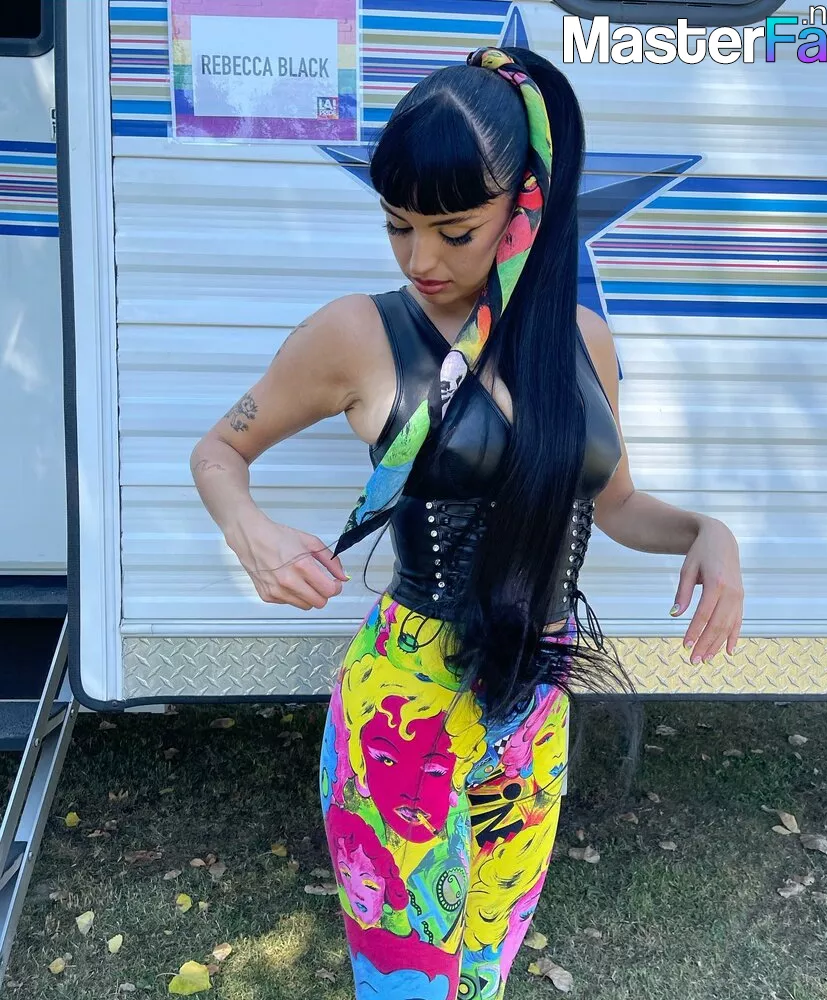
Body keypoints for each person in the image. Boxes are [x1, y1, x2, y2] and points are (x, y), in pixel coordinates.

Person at [190, 45, 744, 1000]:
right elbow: (218, 453)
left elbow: (616, 504)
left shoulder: (583, 343)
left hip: (533, 708)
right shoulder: (359, 333)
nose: (420, 260)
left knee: (484, 977)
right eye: (397, 225)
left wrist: (707, 532)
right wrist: (249, 528)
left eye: (454, 230)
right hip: (404, 712)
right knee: (409, 987)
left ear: (526, 208)